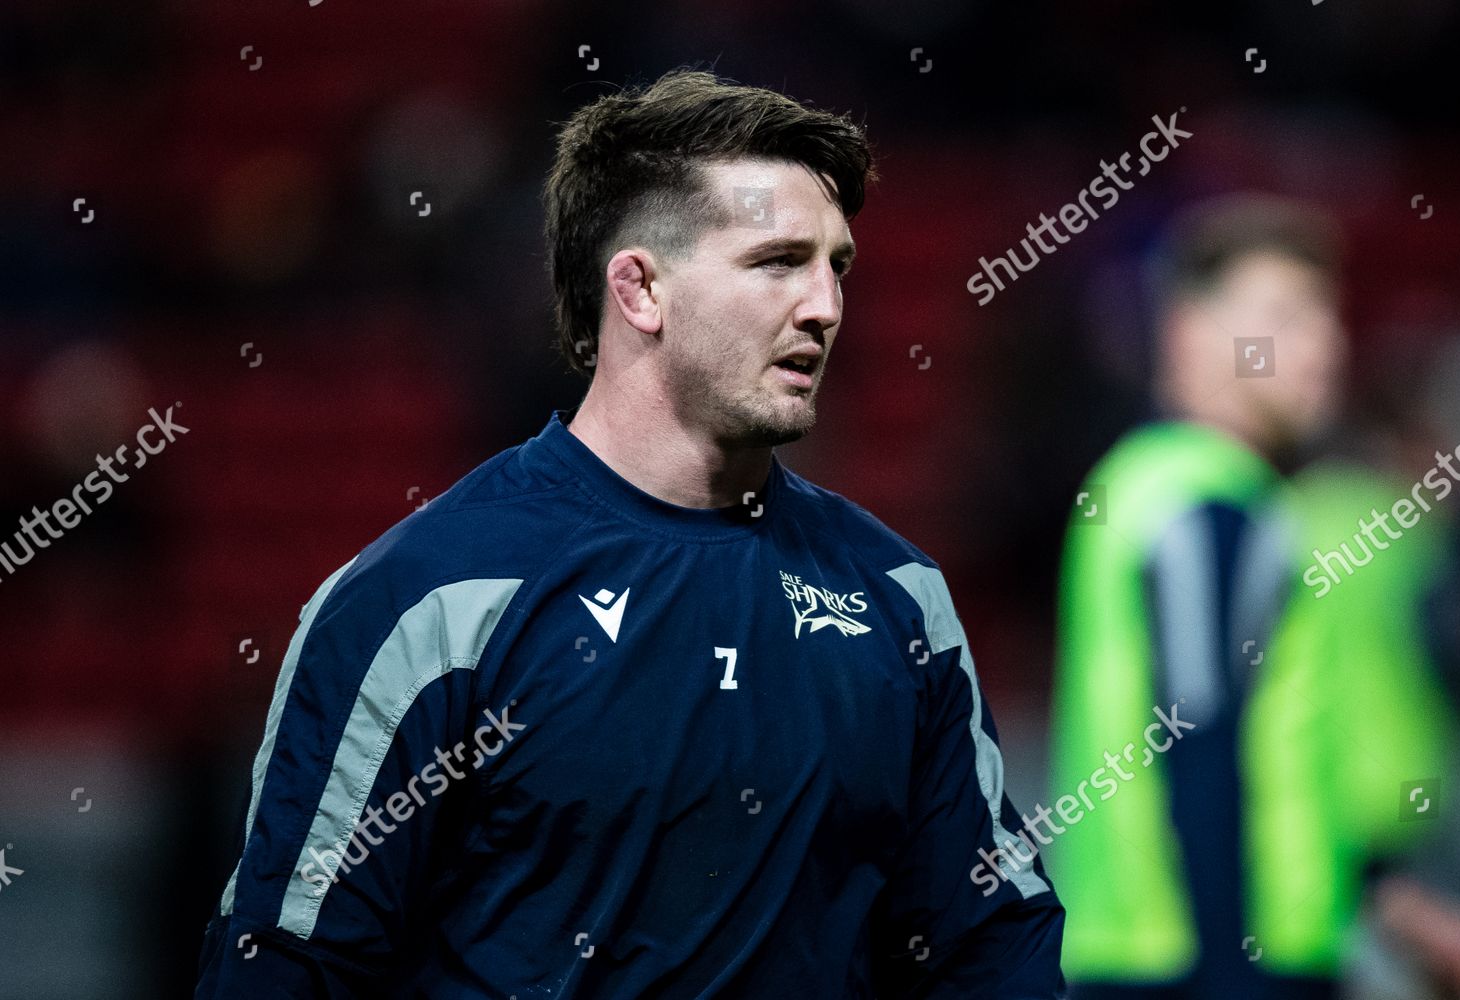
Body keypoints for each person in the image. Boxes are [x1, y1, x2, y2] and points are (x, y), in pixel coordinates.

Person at [195, 68, 1065, 998]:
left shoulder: (896, 596)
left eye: (836, 265)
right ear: (640, 290)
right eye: (777, 262)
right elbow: (288, 962)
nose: (824, 305)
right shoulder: (428, 599)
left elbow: (988, 939)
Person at [1048, 194, 1460, 998]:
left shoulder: (1182, 490)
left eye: (1327, 317)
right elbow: (1201, 754)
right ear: (1188, 334)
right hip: (1204, 967)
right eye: (1282, 316)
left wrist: (1399, 906)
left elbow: (1274, 765)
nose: (1324, 345)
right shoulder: (1200, 504)